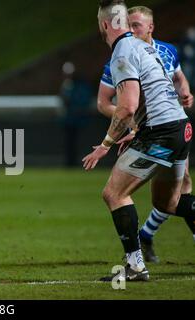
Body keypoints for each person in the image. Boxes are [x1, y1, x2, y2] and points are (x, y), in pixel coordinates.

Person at [83, 0, 194, 281]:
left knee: (114, 194)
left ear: (104, 25)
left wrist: (105, 145)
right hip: (180, 127)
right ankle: (135, 264)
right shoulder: (145, 46)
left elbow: (128, 106)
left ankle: (134, 266)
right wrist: (136, 130)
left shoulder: (121, 52)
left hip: (162, 131)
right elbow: (152, 93)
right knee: (168, 202)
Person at [60, 62, 93, 167]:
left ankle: (76, 162)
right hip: (70, 119)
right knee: (69, 143)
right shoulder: (67, 85)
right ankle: (70, 162)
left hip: (78, 119)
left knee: (76, 142)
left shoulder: (79, 86)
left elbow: (81, 101)